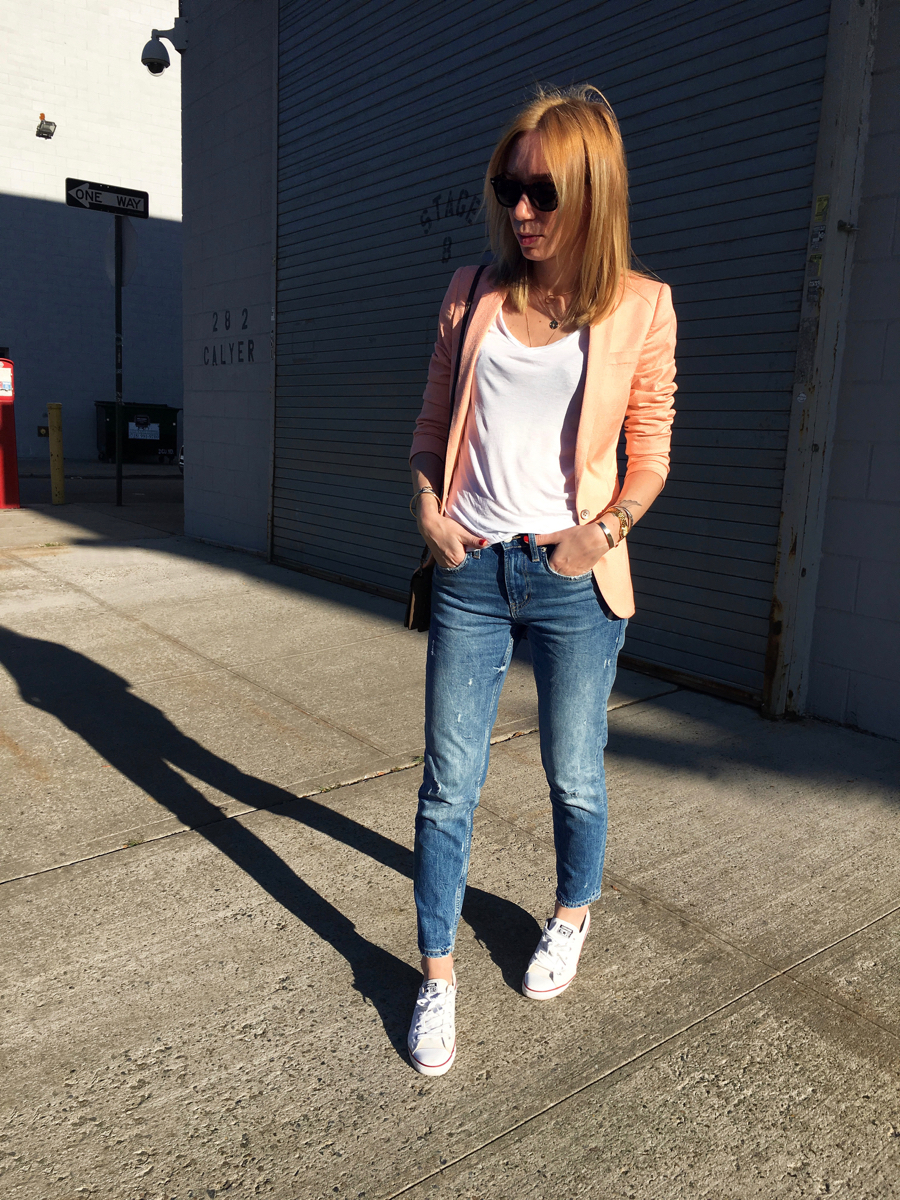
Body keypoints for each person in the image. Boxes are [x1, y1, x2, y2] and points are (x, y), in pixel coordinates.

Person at [406, 85, 676, 1076]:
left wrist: (599, 538)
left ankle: (571, 913)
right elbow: (431, 425)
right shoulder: (470, 291)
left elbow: (650, 455)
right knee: (449, 786)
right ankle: (436, 976)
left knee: (574, 771)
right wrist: (428, 510)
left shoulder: (643, 307)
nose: (520, 210)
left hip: (572, 579)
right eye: (507, 189)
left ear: (594, 192)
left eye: (544, 192)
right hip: (472, 570)